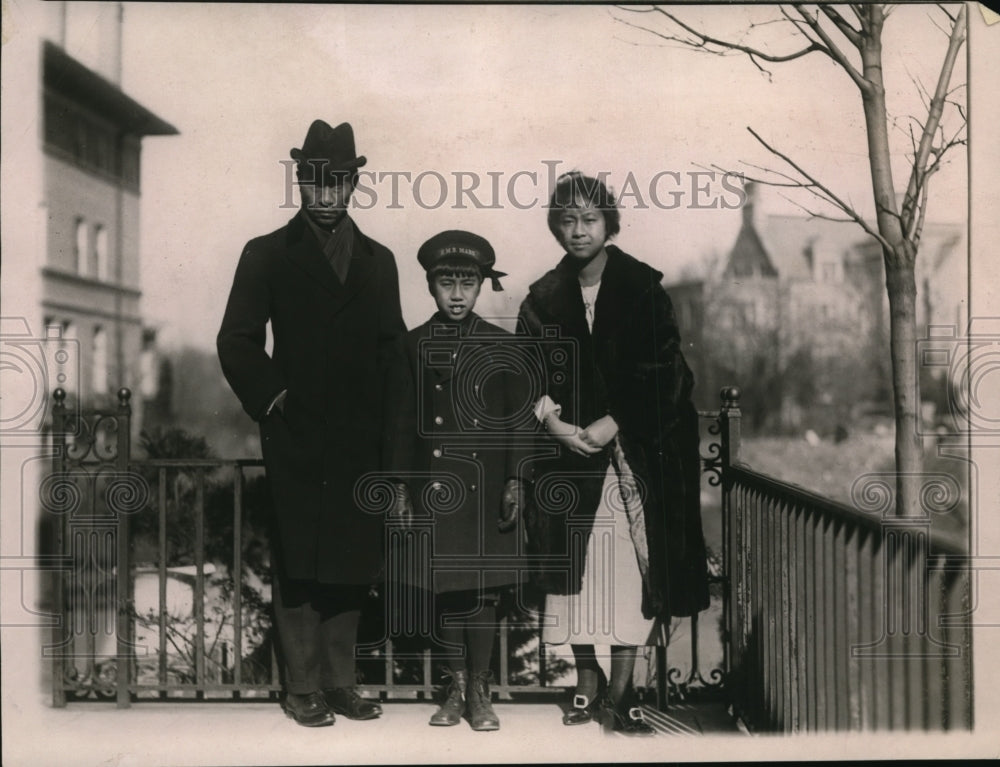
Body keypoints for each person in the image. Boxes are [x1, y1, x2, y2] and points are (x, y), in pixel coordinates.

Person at [217, 119, 410, 727]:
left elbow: (392, 353)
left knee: (351, 562)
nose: (326, 197)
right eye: (314, 184)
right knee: (299, 563)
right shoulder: (267, 253)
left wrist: (392, 440)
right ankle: (299, 686)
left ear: (354, 186)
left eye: (338, 185)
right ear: (299, 182)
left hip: (360, 441)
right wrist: (275, 401)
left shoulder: (380, 262)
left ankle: (341, 684)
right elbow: (237, 340)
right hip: (296, 436)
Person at [518, 171, 710, 735]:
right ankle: (586, 681)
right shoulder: (542, 298)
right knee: (573, 574)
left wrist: (614, 421)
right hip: (566, 460)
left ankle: (623, 695)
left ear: (609, 224)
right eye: (568, 221)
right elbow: (527, 374)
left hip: (634, 459)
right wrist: (552, 424)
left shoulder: (643, 290)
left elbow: (668, 373)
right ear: (557, 227)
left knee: (630, 573)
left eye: (589, 220)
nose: (578, 232)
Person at [396, 230, 527, 731]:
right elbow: (400, 423)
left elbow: (521, 421)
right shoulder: (412, 346)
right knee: (446, 589)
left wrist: (516, 479)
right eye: (446, 283)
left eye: (467, 283)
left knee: (484, 592)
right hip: (436, 488)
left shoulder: (504, 346)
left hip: (489, 487)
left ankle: (480, 692)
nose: (456, 294)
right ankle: (455, 686)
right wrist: (402, 487)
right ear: (430, 286)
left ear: (480, 287)